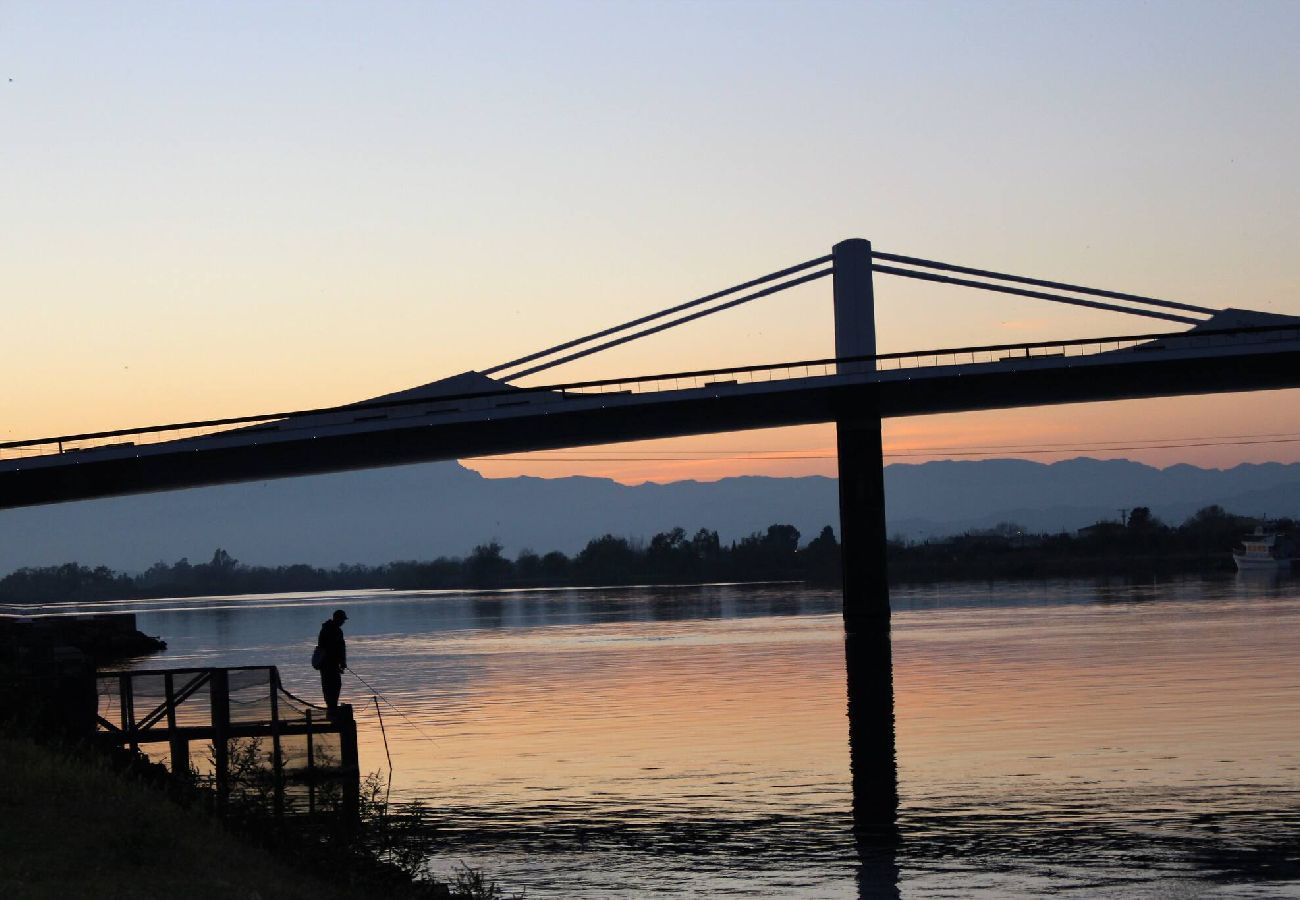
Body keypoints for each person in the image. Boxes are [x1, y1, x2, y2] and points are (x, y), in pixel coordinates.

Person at [317, 609, 348, 715]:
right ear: (337, 619)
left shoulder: (325, 629)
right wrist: (341, 662)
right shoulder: (335, 631)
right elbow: (338, 648)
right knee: (334, 685)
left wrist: (341, 662)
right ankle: (332, 708)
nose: (343, 622)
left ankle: (331, 707)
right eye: (342, 619)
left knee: (328, 686)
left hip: (325, 664)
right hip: (330, 664)